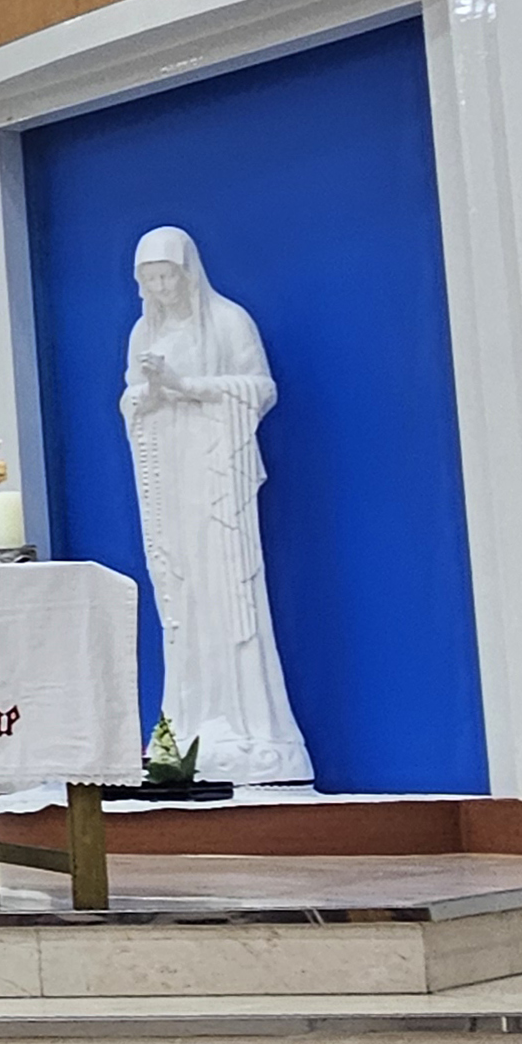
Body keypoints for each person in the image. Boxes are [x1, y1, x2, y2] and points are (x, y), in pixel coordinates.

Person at [121, 226, 314, 783]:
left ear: (188, 273)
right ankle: (185, 724)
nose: (161, 289)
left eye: (167, 277)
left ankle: (251, 727)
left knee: (226, 591)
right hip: (171, 478)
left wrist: (187, 385)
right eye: (151, 281)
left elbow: (260, 388)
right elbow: (131, 398)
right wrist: (151, 391)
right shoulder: (143, 332)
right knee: (181, 595)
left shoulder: (229, 321)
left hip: (217, 480)